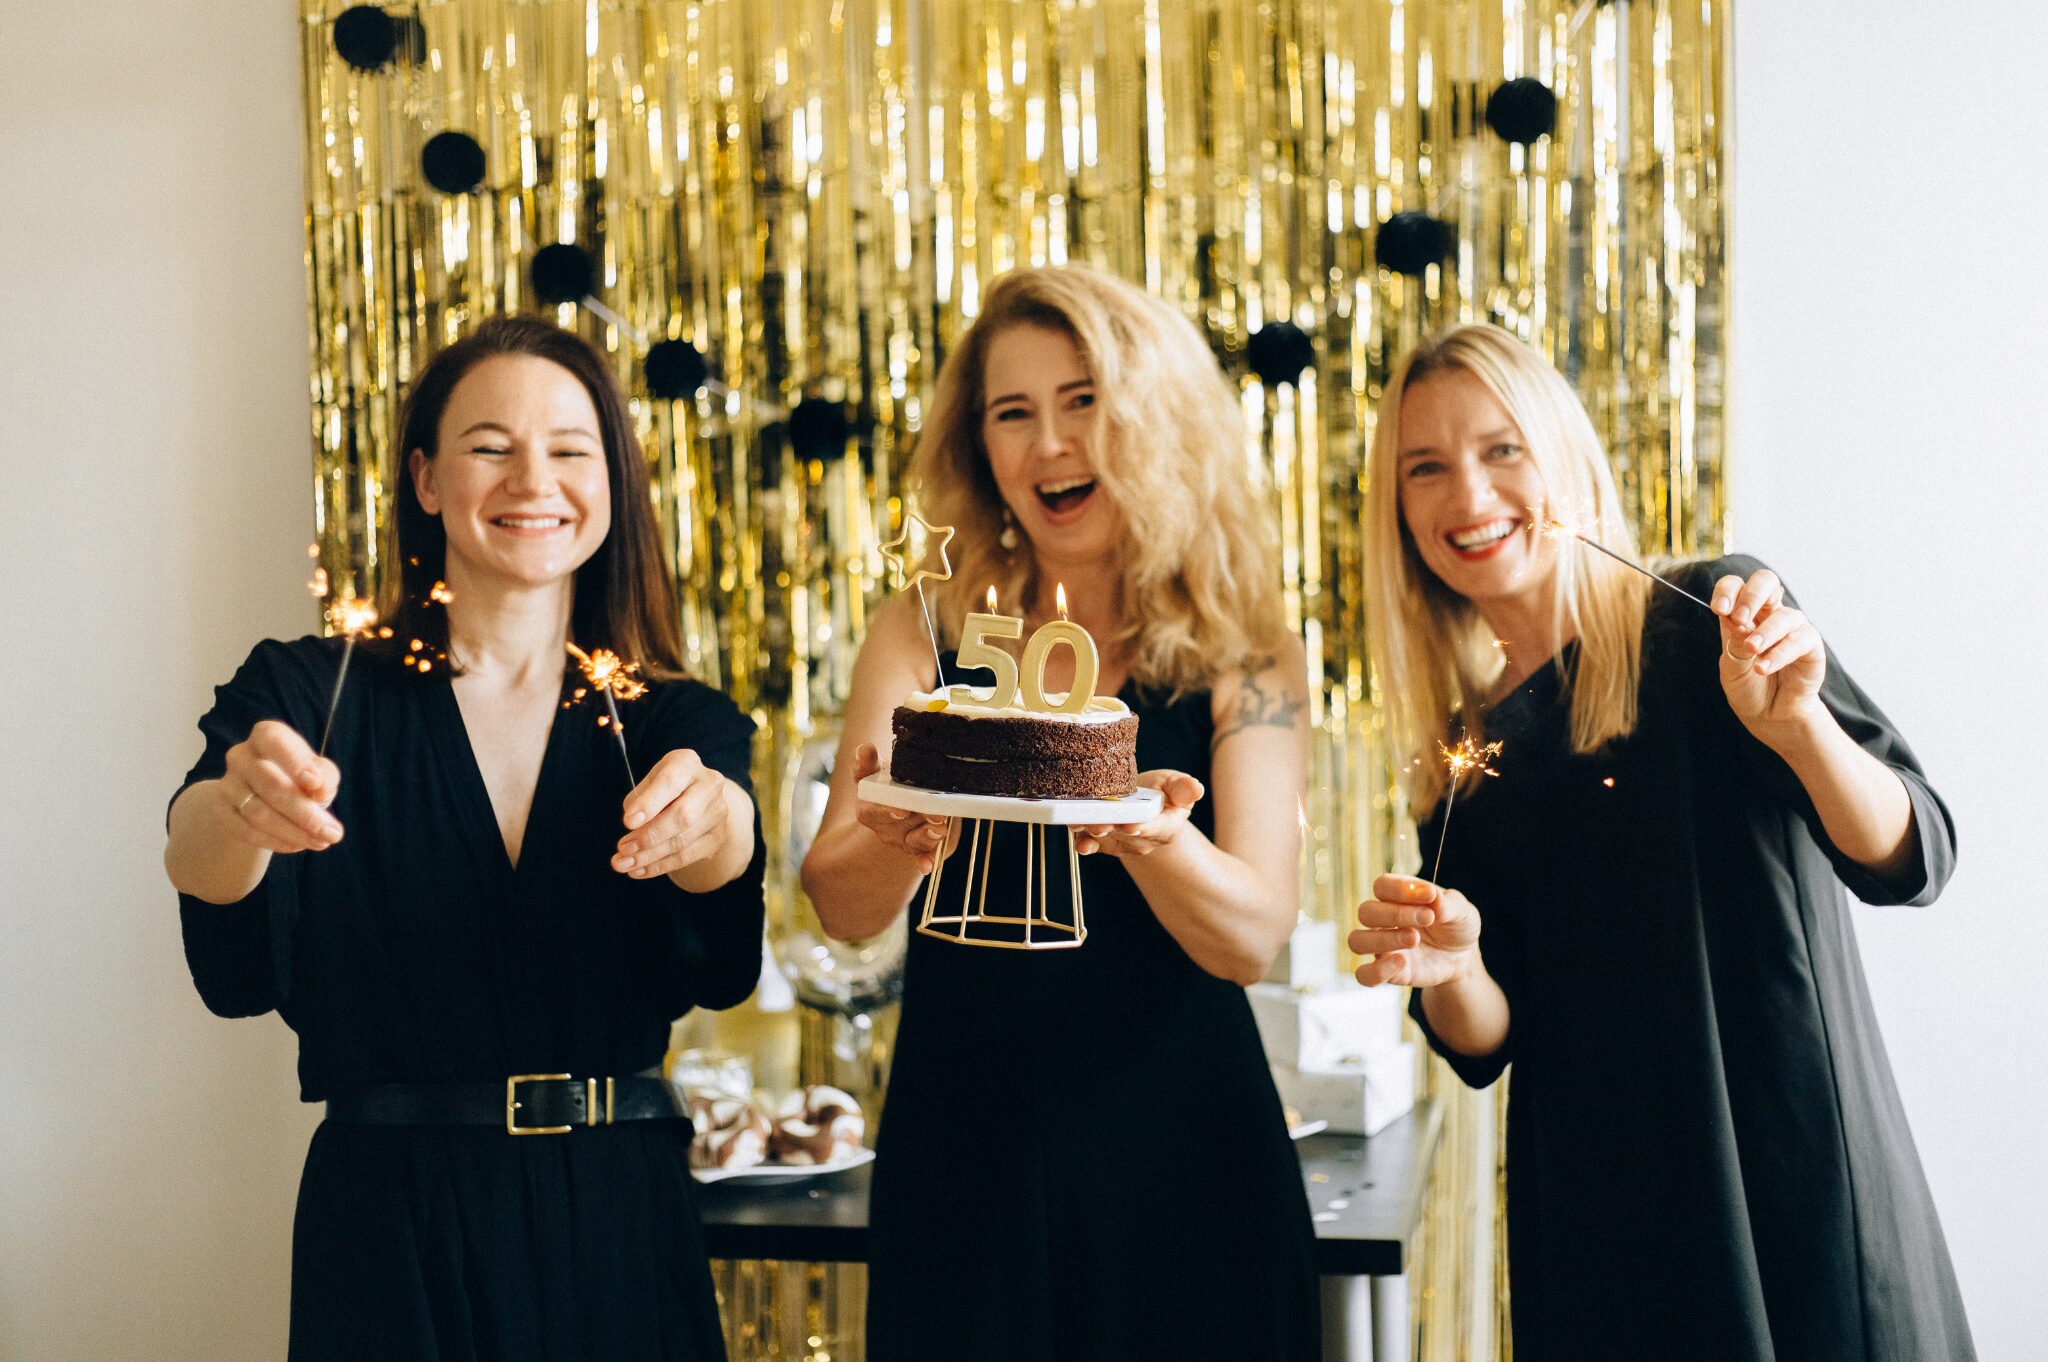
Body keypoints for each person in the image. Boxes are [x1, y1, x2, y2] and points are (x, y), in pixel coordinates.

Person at [1351, 322, 1974, 1360]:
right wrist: (1452, 964)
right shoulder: (1466, 755)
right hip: (1602, 1227)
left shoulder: (1708, 625)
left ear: (1561, 452)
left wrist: (1796, 727)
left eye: (1500, 449)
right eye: (1426, 468)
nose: (1466, 495)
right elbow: (1485, 1039)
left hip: (1795, 1182)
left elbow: (1913, 855)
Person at [164, 316, 766, 1360]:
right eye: (490, 446)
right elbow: (200, 859)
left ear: (613, 484)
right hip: (389, 1217)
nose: (533, 478)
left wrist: (717, 825)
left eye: (571, 451)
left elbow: (724, 919)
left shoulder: (669, 716)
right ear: (427, 479)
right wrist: (237, 807)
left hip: (617, 1214)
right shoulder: (313, 687)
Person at [801, 265, 1320, 1360]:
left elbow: (1249, 936)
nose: (1048, 444)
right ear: (976, 448)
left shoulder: (1245, 649)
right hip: (964, 1145)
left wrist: (1144, 829)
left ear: (1150, 413)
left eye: (1082, 400)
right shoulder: (924, 629)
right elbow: (839, 906)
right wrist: (899, 843)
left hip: (1186, 1149)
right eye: (1011, 413)